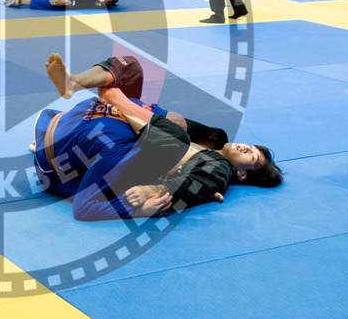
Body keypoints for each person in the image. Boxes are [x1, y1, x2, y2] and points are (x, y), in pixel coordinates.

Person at [32, 53, 281, 220]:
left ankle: (109, 102)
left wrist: (153, 191)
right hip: (88, 134)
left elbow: (190, 187)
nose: (247, 148)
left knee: (175, 137)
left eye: (253, 158)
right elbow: (172, 122)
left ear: (242, 174)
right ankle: (73, 83)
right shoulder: (213, 139)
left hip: (117, 152)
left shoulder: (220, 169)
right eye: (252, 147)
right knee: (130, 67)